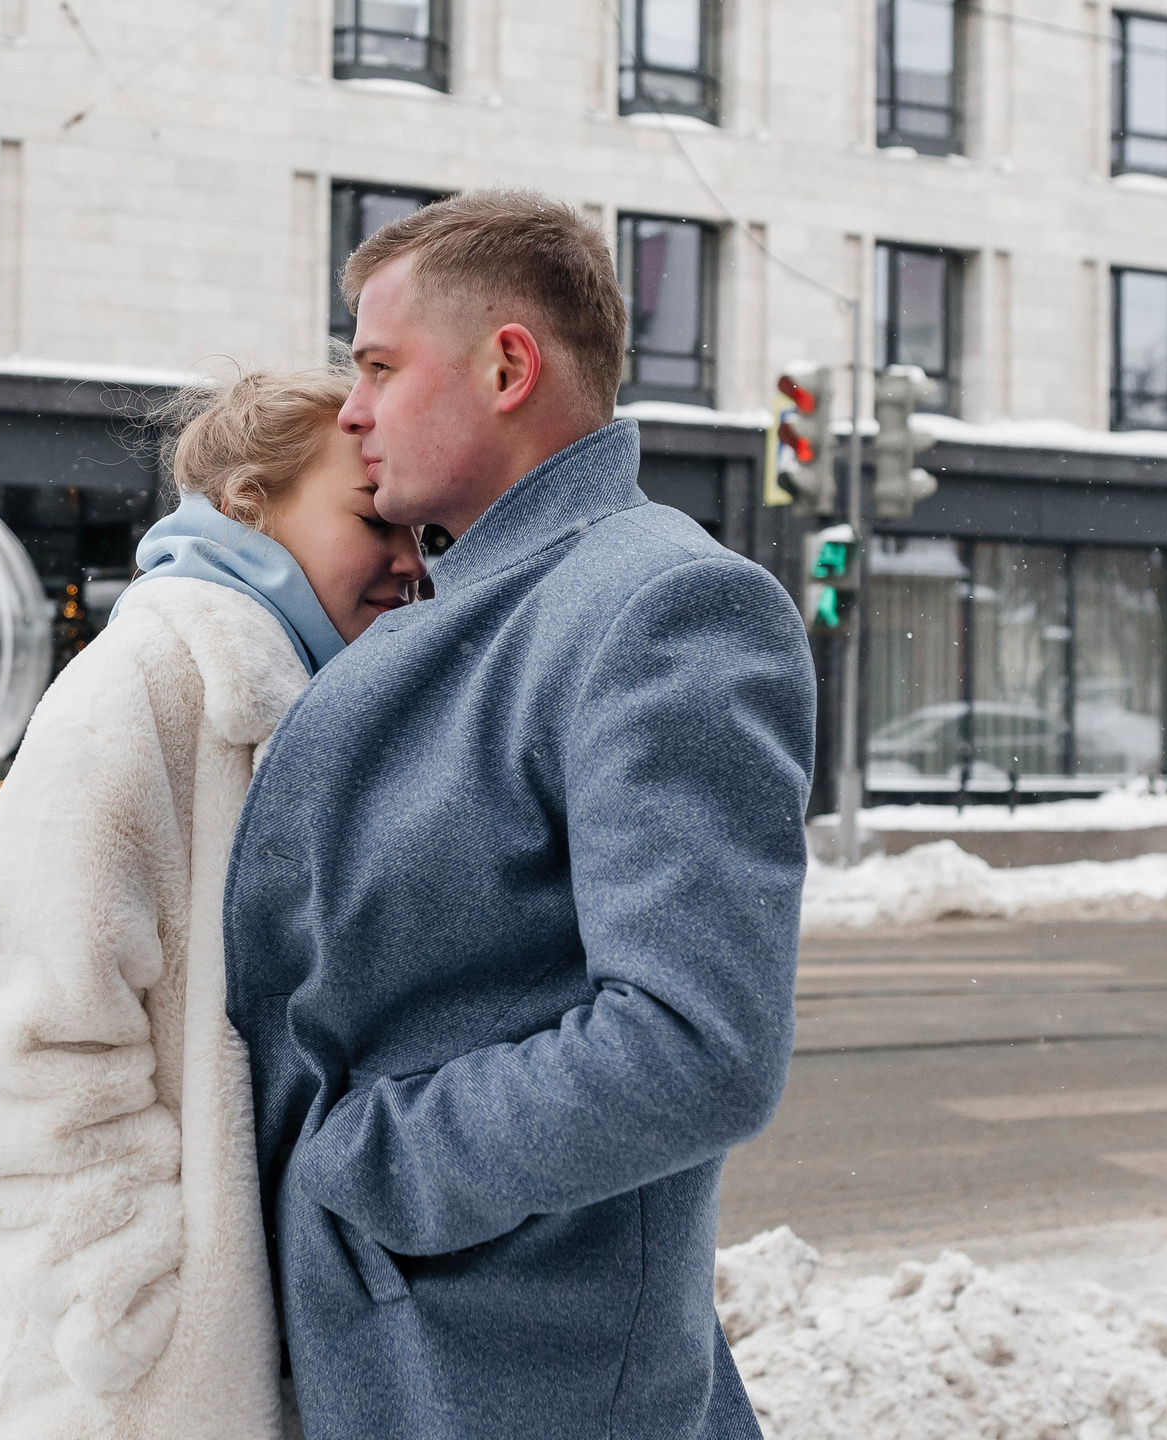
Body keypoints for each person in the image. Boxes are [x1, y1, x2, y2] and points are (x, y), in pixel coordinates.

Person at [224, 192, 816, 1438]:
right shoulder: (468, 596)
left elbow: (695, 1043)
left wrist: (365, 1172)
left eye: (380, 367)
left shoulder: (660, 605)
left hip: (511, 1375)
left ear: (506, 367)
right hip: (405, 1357)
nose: (351, 411)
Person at [0, 369, 425, 1439]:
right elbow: (26, 1034)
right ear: (248, 505)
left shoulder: (325, 700)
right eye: (374, 522)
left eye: (421, 531)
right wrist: (127, 1305)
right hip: (90, 1388)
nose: (411, 562)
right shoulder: (145, 684)